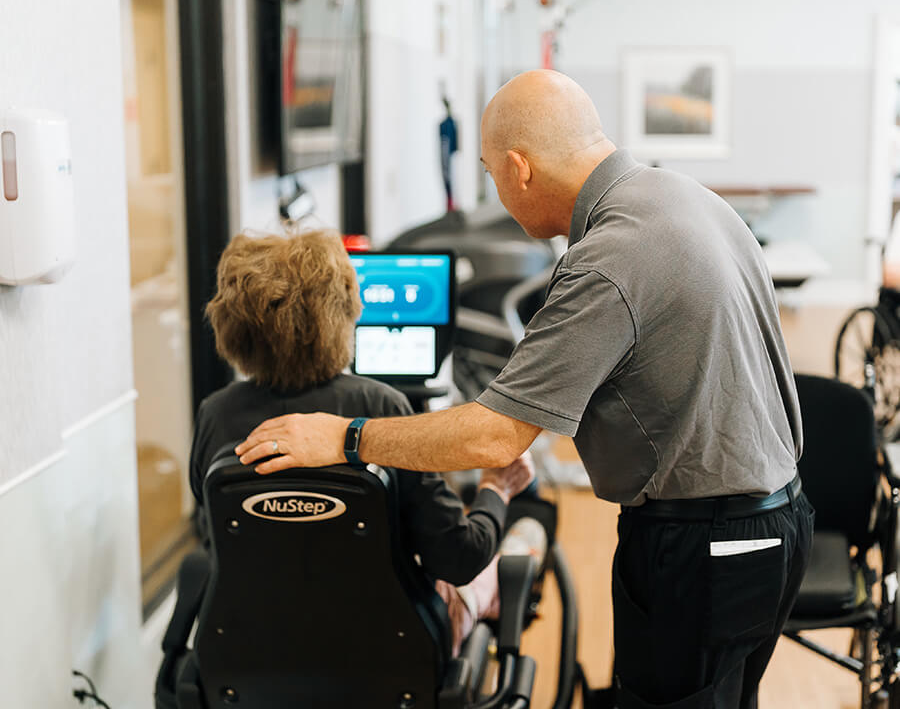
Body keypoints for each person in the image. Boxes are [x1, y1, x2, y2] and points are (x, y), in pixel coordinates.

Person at [236, 70, 813, 708]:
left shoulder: (608, 257)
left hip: (705, 543)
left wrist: (343, 437)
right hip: (774, 524)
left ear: (520, 167)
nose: (499, 192)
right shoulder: (683, 196)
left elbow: (494, 434)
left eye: (491, 174)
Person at [191, 229, 537, 655]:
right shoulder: (378, 405)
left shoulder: (215, 414)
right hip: (388, 653)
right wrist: (496, 488)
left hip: (255, 656)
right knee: (494, 570)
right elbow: (459, 558)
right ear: (343, 313)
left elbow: (213, 533)